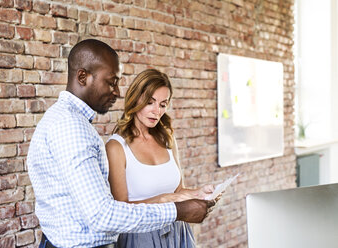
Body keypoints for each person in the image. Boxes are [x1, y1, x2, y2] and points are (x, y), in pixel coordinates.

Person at [27, 39, 216, 248]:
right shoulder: (72, 127)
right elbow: (103, 214)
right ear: (83, 77)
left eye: (163, 104)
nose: (117, 92)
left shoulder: (71, 121)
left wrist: (195, 195)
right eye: (111, 82)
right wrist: (177, 209)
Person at [106, 69, 219, 247]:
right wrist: (162, 199)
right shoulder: (116, 147)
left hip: (179, 231)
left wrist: (199, 193)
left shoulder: (167, 138)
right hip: (141, 237)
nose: (157, 111)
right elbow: (120, 210)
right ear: (136, 99)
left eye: (163, 104)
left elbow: (178, 191)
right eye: (150, 102)